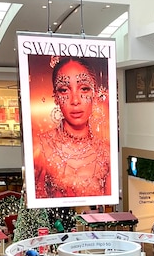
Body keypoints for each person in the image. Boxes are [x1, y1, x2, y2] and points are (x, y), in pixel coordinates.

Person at [32, 57, 111, 200]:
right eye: (64, 90)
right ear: (55, 97)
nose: (75, 100)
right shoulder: (40, 147)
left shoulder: (106, 153)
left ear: (94, 93)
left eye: (84, 89)